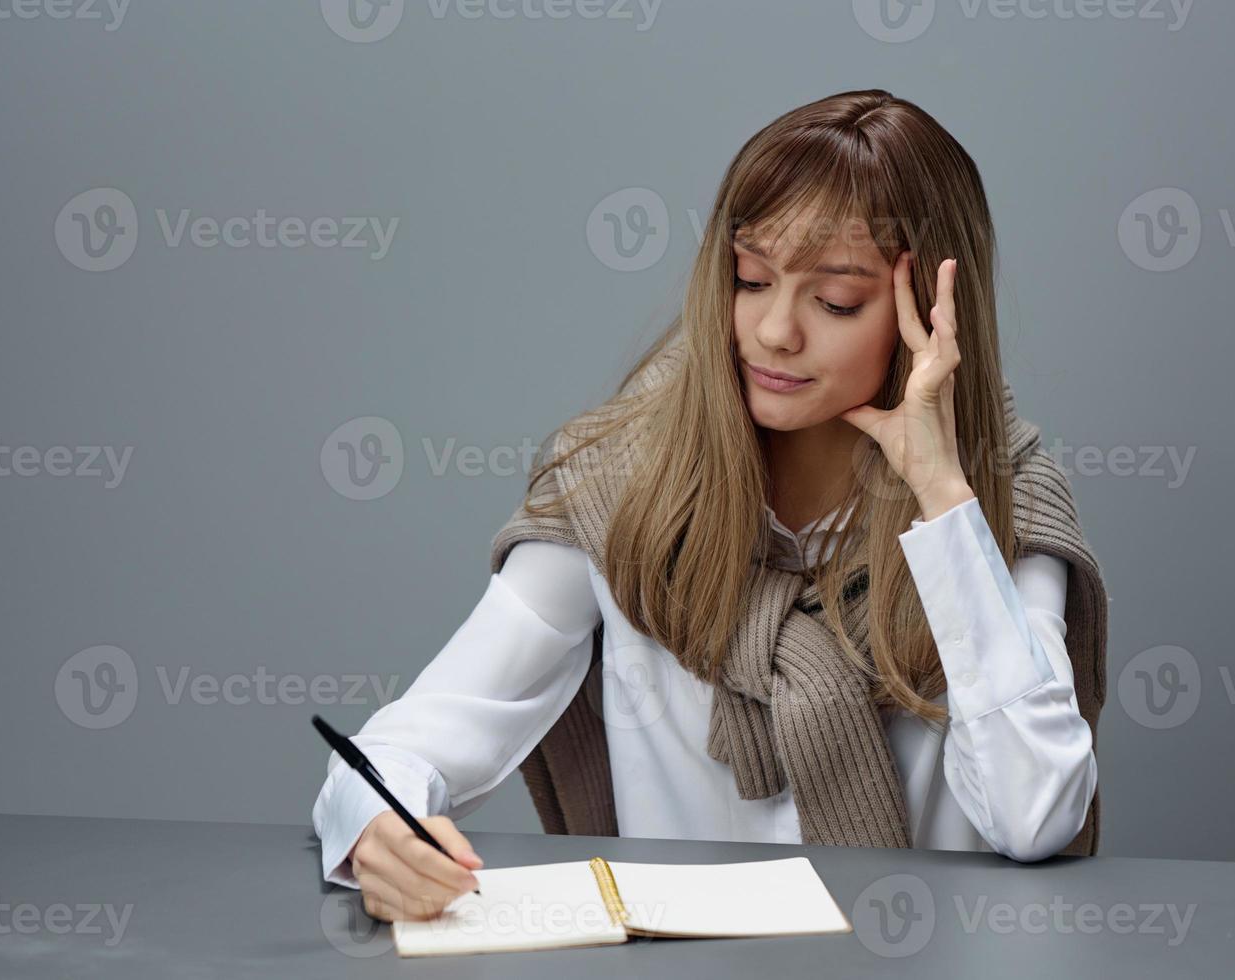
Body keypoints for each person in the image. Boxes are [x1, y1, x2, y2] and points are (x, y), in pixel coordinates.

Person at [312, 88, 1107, 924]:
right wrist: (378, 829)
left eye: (834, 301)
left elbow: (1036, 816)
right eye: (751, 278)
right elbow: (415, 739)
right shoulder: (623, 487)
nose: (773, 331)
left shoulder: (997, 501)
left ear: (933, 316)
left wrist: (942, 497)